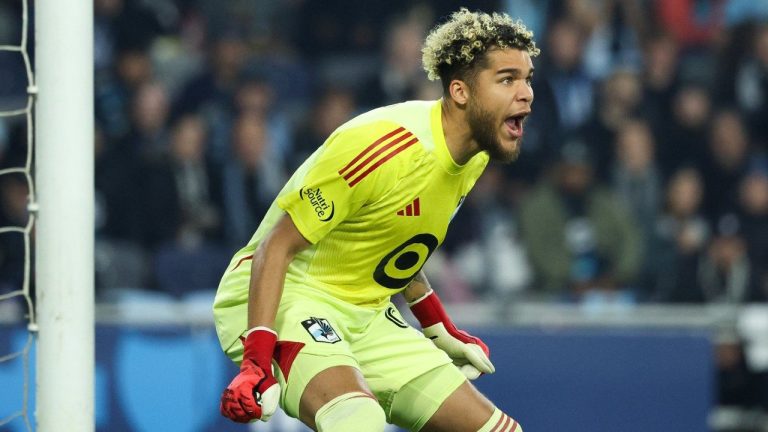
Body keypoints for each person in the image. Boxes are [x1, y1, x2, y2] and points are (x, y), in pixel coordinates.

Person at [213, 8, 538, 431]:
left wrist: (438, 324)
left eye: (527, 78)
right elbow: (276, 247)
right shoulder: (383, 146)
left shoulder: (472, 156)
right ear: (460, 91)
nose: (527, 92)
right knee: (357, 421)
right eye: (507, 78)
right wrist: (256, 361)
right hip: (287, 294)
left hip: (365, 310)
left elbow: (395, 244)